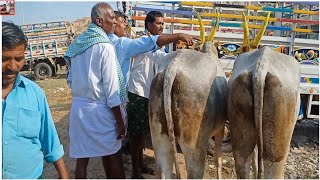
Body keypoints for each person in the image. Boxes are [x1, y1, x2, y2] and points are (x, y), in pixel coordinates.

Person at [65, 2, 127, 178]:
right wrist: (120, 121)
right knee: (113, 154)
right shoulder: (104, 46)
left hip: (79, 109)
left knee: (81, 159)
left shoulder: (78, 44)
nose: (115, 21)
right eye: (112, 18)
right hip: (100, 110)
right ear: (100, 21)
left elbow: (70, 79)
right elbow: (112, 89)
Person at [2, 21, 69, 179]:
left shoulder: (35, 93)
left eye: (18, 59)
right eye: (4, 59)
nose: (12, 66)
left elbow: (50, 138)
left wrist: (64, 175)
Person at [126, 11, 170, 179]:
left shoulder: (155, 44)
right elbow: (161, 59)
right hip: (138, 93)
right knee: (136, 136)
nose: (162, 26)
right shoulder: (144, 42)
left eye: (162, 23)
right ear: (149, 25)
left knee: (142, 134)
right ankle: (135, 172)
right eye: (159, 23)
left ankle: (141, 165)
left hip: (147, 94)